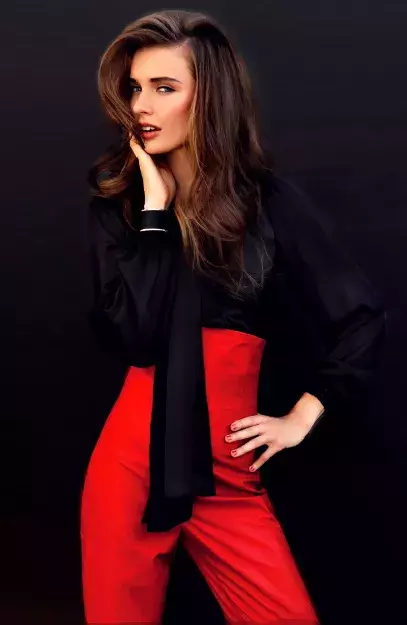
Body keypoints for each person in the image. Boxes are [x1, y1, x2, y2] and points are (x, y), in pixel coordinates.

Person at [80, 9, 387, 625]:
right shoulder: (120, 206)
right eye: (136, 88)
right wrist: (156, 213)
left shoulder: (268, 202)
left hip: (228, 473)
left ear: (209, 97)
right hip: (131, 468)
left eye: (165, 88)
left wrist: (302, 415)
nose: (142, 106)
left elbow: (362, 317)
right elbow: (136, 336)